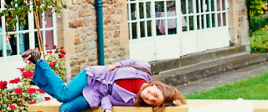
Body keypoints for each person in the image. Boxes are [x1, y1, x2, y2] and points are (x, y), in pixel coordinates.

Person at [22, 49, 186, 112]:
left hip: (95, 94)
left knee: (65, 109)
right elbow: (127, 62)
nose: (149, 98)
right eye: (155, 95)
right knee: (64, 95)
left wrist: (107, 110)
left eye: (153, 102)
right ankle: (39, 60)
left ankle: (39, 66)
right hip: (94, 76)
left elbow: (107, 98)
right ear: (156, 86)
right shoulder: (144, 68)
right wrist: (111, 67)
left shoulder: (133, 101)